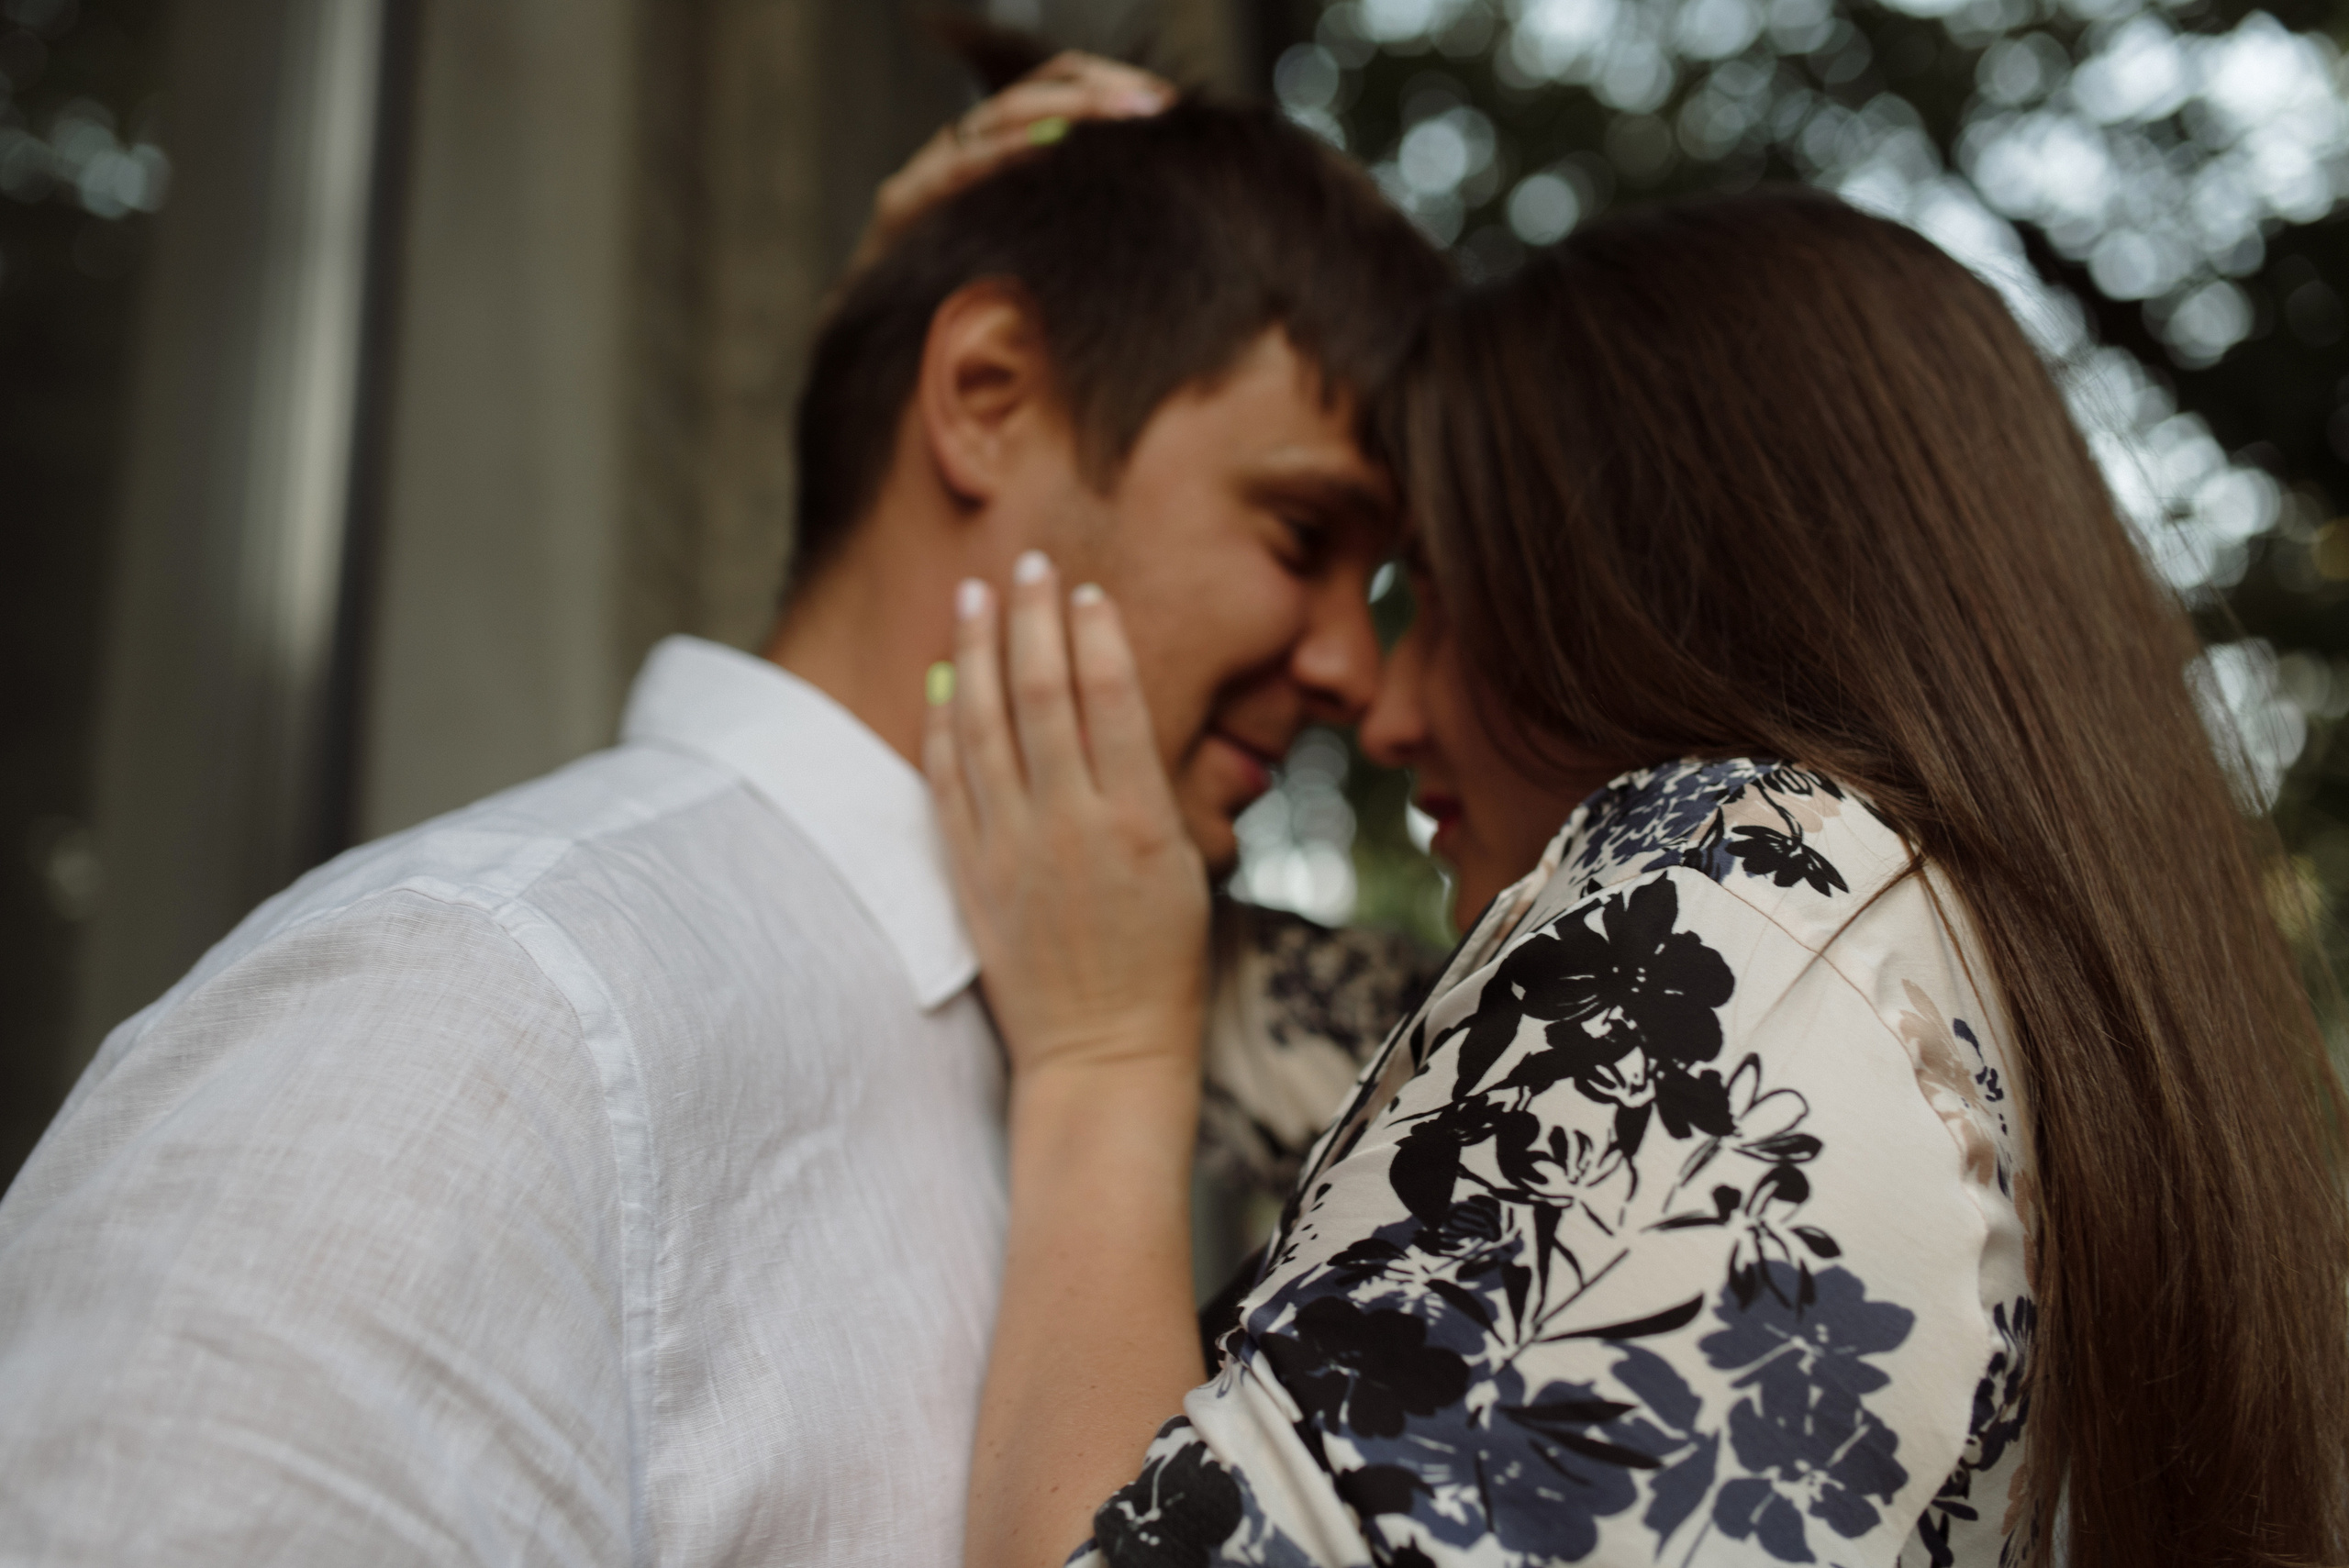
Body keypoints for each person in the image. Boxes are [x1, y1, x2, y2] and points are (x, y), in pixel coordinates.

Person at [0, 58, 1447, 1566]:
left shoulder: (1138, 1019)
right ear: (987, 398)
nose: (1357, 667)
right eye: (1302, 533)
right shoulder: (476, 1008)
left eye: (1384, 581)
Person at [929, 189, 2349, 1567]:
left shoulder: (1764, 904)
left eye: (1431, 588)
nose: (1384, 703)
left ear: (1646, 582)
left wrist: (1100, 1070)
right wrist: (897, 373)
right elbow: (1239, 1003)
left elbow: (1138, 1007)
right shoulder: (1915, 988)